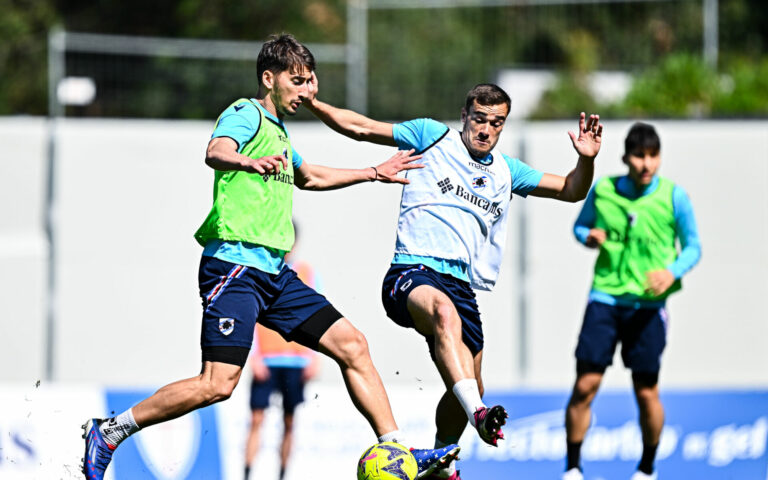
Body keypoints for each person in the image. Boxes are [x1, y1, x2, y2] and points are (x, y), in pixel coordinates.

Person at [81, 33, 461, 480]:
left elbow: (310, 176)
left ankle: (397, 450)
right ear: (269, 77)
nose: (304, 91)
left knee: (353, 345)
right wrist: (245, 162)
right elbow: (216, 151)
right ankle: (110, 432)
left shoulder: (279, 132)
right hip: (234, 269)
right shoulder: (246, 114)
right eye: (297, 81)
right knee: (217, 385)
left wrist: (373, 172)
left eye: (308, 82)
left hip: (273, 274)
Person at [303, 83, 603, 479]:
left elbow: (570, 190)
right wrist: (313, 104)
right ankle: (478, 412)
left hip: (462, 286)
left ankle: (443, 463)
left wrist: (586, 161)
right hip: (412, 272)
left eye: (496, 123)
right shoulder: (433, 137)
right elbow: (359, 126)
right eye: (479, 119)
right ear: (464, 116)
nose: (486, 130)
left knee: (465, 382)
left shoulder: (507, 171)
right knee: (448, 327)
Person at [561, 122, 702, 480]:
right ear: (625, 157)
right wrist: (588, 237)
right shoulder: (604, 190)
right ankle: (573, 468)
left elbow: (693, 247)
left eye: (653, 156)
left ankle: (647, 469)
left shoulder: (674, 196)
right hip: (605, 299)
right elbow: (580, 226)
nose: (646, 164)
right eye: (639, 156)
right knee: (584, 385)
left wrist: (671, 273)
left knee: (646, 391)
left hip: (649, 308)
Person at [244, 224, 321, 480]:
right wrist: (253, 357)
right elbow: (250, 316)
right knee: (256, 419)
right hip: (267, 360)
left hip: (296, 362)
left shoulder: (307, 273)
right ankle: (246, 473)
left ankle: (282, 475)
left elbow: (317, 316)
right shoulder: (260, 270)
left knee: (289, 422)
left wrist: (313, 357)